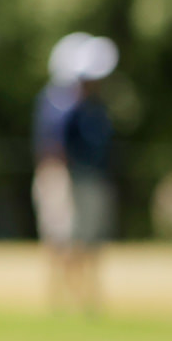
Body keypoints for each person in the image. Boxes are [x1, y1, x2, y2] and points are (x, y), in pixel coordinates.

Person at [32, 31, 118, 313]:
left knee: (88, 241)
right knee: (63, 240)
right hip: (66, 177)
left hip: (88, 177)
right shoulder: (60, 102)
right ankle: (63, 299)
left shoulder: (93, 106)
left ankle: (86, 299)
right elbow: (53, 146)